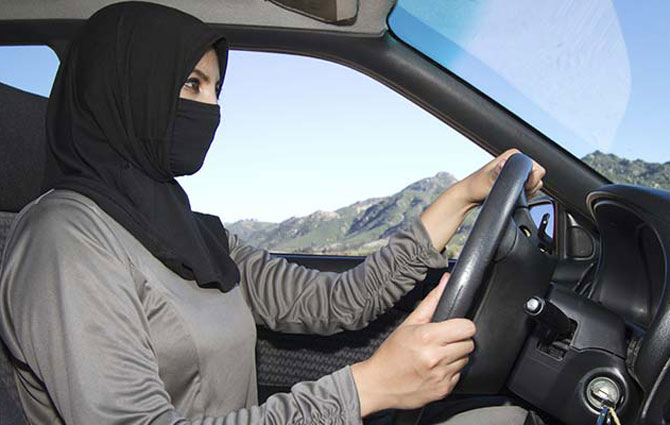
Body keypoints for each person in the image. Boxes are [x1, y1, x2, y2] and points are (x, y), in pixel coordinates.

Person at [0, 2, 544, 424]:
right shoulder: (62, 241)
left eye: (216, 89)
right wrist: (368, 387)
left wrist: (463, 196)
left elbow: (338, 301)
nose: (212, 109)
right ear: (126, 88)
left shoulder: (196, 234)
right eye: (191, 85)